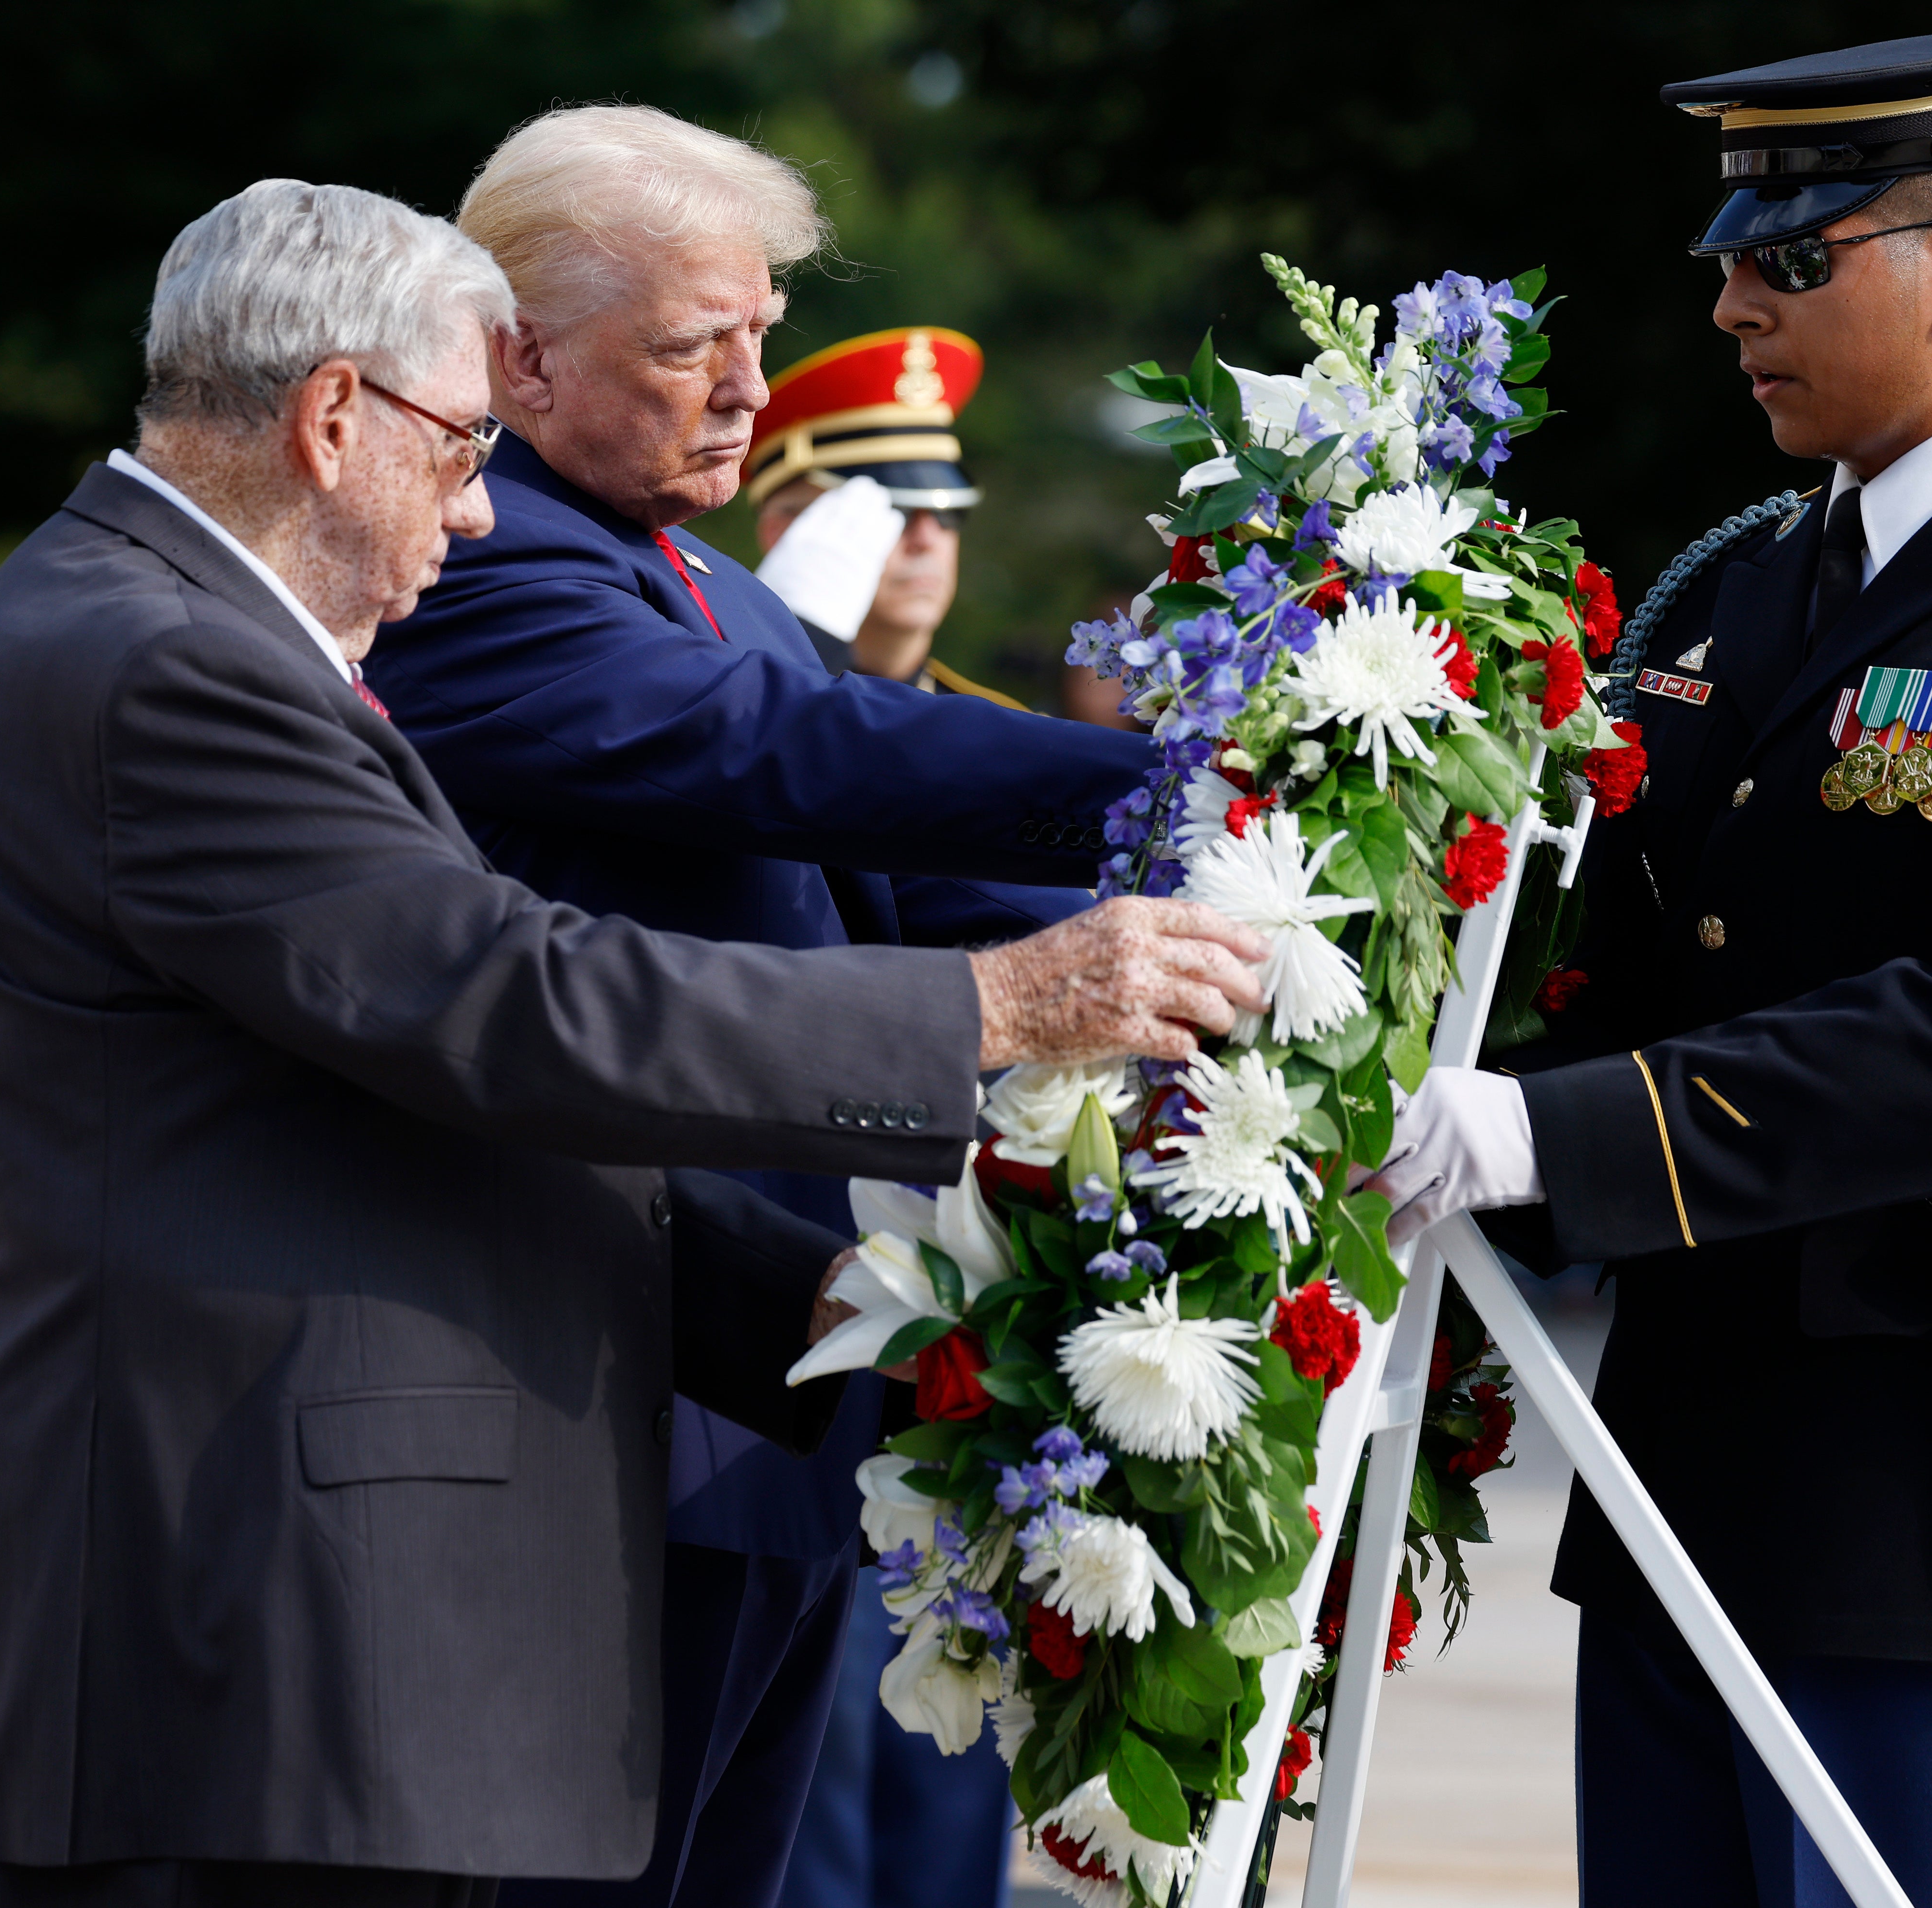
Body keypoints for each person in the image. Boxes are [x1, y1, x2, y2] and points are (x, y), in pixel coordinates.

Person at [0, 178, 1267, 1908]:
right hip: (242, 1639)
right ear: (335, 416)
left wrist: (898, 1347)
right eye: (465, 448)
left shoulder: (174, 634)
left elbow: (429, 1108)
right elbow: (507, 1003)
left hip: (305, 1649)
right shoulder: (159, 663)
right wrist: (998, 1003)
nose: (478, 518)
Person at [1367, 28, 1932, 1906]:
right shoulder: (1747, 580)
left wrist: (1559, 1135)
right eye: (1726, 264)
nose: (1732, 306)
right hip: (1690, 1425)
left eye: (1793, 261)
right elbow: (1619, 933)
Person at [363, 108, 1158, 1908]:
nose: (745, 387)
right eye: (686, 346)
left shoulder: (695, 568)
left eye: (757, 329)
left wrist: (1221, 902)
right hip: (611, 1394)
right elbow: (789, 750)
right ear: (519, 357)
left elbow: (904, 887)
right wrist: (1150, 776)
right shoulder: (488, 569)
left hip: (778, 1395)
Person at [749, 326, 1021, 1908]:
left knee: (939, 1776)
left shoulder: (996, 738)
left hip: (962, 1309)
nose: (922, 534)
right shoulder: (707, 709)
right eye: (875, 500)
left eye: (939, 504)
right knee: (799, 1802)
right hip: (776, 1295)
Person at [745, 325, 990, 695]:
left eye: (946, 513)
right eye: (892, 511)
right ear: (781, 532)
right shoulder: (705, 691)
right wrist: (794, 642)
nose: (926, 540)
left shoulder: (1004, 733)